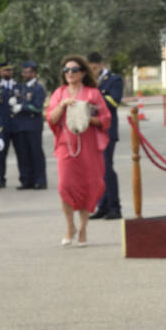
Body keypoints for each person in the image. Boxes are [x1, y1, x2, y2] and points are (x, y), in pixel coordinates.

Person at [45, 54, 111, 246]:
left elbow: (105, 120)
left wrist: (86, 117)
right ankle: (69, 226)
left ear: (82, 73)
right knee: (64, 186)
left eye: (74, 70)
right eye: (66, 70)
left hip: (88, 145)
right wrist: (63, 105)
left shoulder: (93, 93)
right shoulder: (59, 93)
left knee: (87, 186)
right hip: (66, 144)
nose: (70, 73)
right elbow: (51, 119)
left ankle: (82, 228)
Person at [88, 52, 124, 220]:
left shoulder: (114, 79)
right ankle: (102, 205)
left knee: (107, 168)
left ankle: (115, 207)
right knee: (97, 170)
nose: (91, 71)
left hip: (108, 129)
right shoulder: (89, 82)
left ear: (100, 65)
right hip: (93, 129)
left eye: (93, 68)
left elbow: (114, 102)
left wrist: (95, 97)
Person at [10, 61, 48, 189]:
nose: (24, 74)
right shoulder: (22, 87)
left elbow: (38, 107)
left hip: (33, 126)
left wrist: (22, 107)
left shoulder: (38, 88)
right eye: (23, 72)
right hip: (20, 126)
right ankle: (26, 180)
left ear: (34, 73)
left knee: (35, 153)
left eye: (27, 72)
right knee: (23, 154)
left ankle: (40, 180)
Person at [0, 61, 17, 187]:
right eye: (5, 70)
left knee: (22, 153)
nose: (8, 72)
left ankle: (25, 178)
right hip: (3, 126)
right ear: (0, 72)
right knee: (2, 155)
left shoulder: (18, 86)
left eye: (10, 70)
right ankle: (2, 179)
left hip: (18, 126)